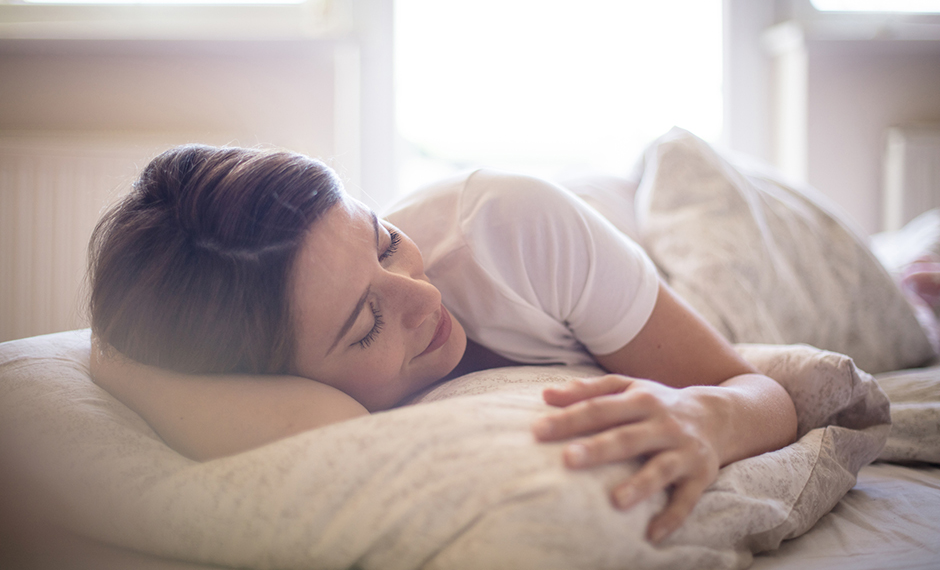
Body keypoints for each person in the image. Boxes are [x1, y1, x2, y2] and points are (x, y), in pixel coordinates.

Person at [89, 144, 798, 544]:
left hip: (646, 251)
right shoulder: (295, 389)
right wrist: (119, 358)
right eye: (364, 324)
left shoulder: (517, 231)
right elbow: (325, 430)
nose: (423, 297)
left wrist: (706, 417)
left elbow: (762, 391)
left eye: (385, 243)